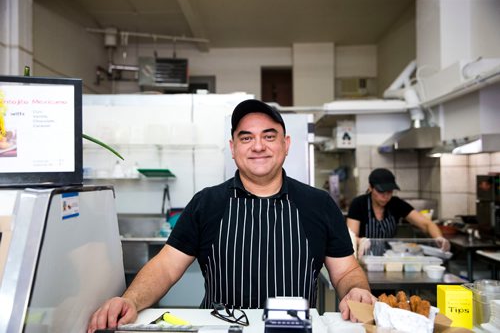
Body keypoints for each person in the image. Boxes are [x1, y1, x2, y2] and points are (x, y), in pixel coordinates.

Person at [87, 99, 376, 332]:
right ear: (233, 149)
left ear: (286, 145)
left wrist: (356, 290)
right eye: (246, 137)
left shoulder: (319, 203)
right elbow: (165, 267)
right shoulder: (207, 203)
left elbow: (347, 271)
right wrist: (130, 301)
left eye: (269, 136)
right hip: (221, 329)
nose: (258, 146)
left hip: (294, 329)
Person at [346, 168, 450, 253]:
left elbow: (426, 224)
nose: (386, 196)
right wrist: (361, 241)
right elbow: (351, 236)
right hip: (364, 258)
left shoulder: (396, 204)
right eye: (381, 192)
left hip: (389, 258)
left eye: (389, 192)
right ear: (370, 188)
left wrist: (439, 238)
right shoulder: (358, 204)